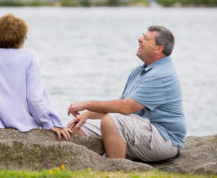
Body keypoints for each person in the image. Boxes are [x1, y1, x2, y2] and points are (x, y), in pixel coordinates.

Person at [67, 25, 186, 162]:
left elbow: (125, 108)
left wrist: (87, 104)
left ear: (158, 48)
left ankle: (115, 171)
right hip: (141, 129)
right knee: (79, 126)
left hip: (166, 139)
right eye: (142, 36)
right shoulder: (140, 71)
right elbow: (120, 106)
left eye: (145, 39)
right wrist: (88, 114)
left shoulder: (161, 74)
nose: (139, 39)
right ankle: (92, 169)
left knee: (111, 121)